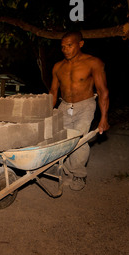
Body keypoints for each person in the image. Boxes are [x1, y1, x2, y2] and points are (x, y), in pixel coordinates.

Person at [49, 31, 110, 191]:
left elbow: (103, 91)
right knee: (62, 139)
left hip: (85, 105)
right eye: (63, 47)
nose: (66, 49)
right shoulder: (58, 66)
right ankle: (68, 172)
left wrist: (104, 117)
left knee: (79, 138)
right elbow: (53, 92)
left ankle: (79, 175)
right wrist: (47, 111)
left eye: (70, 45)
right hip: (64, 105)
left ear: (80, 44)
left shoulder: (93, 62)